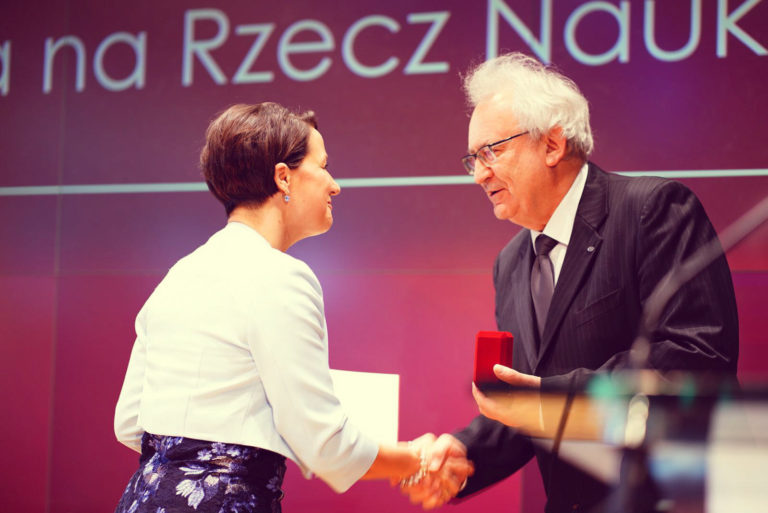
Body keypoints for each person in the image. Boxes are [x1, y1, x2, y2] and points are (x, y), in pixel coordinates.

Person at [401, 53, 739, 512]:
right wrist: (465, 451)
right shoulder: (510, 263)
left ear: (552, 144)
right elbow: (529, 402)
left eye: (491, 151)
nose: (479, 174)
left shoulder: (652, 210)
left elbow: (695, 357)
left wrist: (551, 399)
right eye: (472, 159)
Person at [113, 102, 470, 513]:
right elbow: (324, 446)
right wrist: (416, 459)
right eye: (324, 166)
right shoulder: (281, 276)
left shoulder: (178, 275)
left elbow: (129, 423)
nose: (335, 186)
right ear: (283, 177)